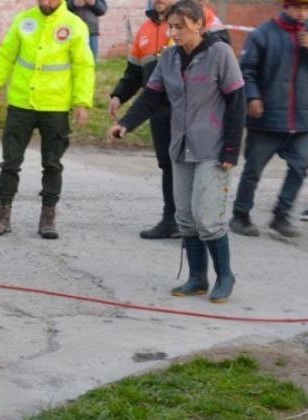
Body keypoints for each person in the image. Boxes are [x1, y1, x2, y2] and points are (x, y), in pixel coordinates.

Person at [108, 0, 246, 303]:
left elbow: (237, 103)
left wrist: (232, 150)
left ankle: (225, 276)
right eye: (170, 26)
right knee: (184, 217)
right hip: (180, 148)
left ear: (198, 25)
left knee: (207, 217)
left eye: (179, 26)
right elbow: (151, 97)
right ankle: (197, 277)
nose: (172, 32)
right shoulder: (168, 58)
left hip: (213, 148)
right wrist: (126, 124)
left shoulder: (220, 54)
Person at [0, 0, 94, 239]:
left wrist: (82, 102)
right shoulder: (24, 20)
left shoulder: (75, 25)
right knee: (10, 161)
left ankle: (48, 217)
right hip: (21, 104)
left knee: (52, 164)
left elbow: (84, 66)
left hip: (55, 106)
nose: (46, 2)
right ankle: (3, 213)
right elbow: (6, 55)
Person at [230, 0, 308, 238]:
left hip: (300, 120)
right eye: (298, 8)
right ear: (286, 7)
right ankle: (240, 215)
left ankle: (281, 215)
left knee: (301, 166)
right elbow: (246, 70)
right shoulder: (263, 34)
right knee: (253, 170)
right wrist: (252, 97)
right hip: (266, 118)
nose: (303, 13)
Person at [108, 0, 179, 239]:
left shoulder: (199, 19)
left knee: (191, 167)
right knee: (168, 167)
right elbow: (135, 74)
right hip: (158, 111)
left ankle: (195, 225)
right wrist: (119, 95)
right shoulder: (145, 30)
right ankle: (171, 221)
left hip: (189, 114)